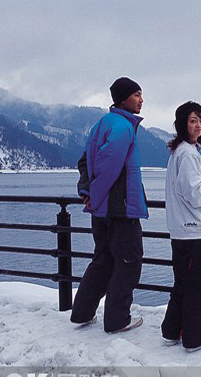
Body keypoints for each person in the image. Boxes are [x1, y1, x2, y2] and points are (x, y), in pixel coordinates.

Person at [70, 77, 149, 333]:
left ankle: (81, 313)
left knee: (104, 259)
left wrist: (86, 191)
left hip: (103, 211)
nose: (141, 100)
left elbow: (85, 162)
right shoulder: (123, 127)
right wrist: (94, 195)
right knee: (129, 262)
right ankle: (117, 320)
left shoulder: (102, 123)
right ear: (124, 97)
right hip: (120, 209)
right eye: (137, 94)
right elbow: (107, 167)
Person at [161, 101, 201, 352]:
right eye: (193, 120)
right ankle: (195, 338)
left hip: (183, 231)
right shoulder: (187, 153)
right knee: (198, 284)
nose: (199, 125)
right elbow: (195, 194)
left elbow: (188, 187)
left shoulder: (181, 152)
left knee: (184, 283)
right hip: (195, 231)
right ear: (183, 124)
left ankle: (172, 331)